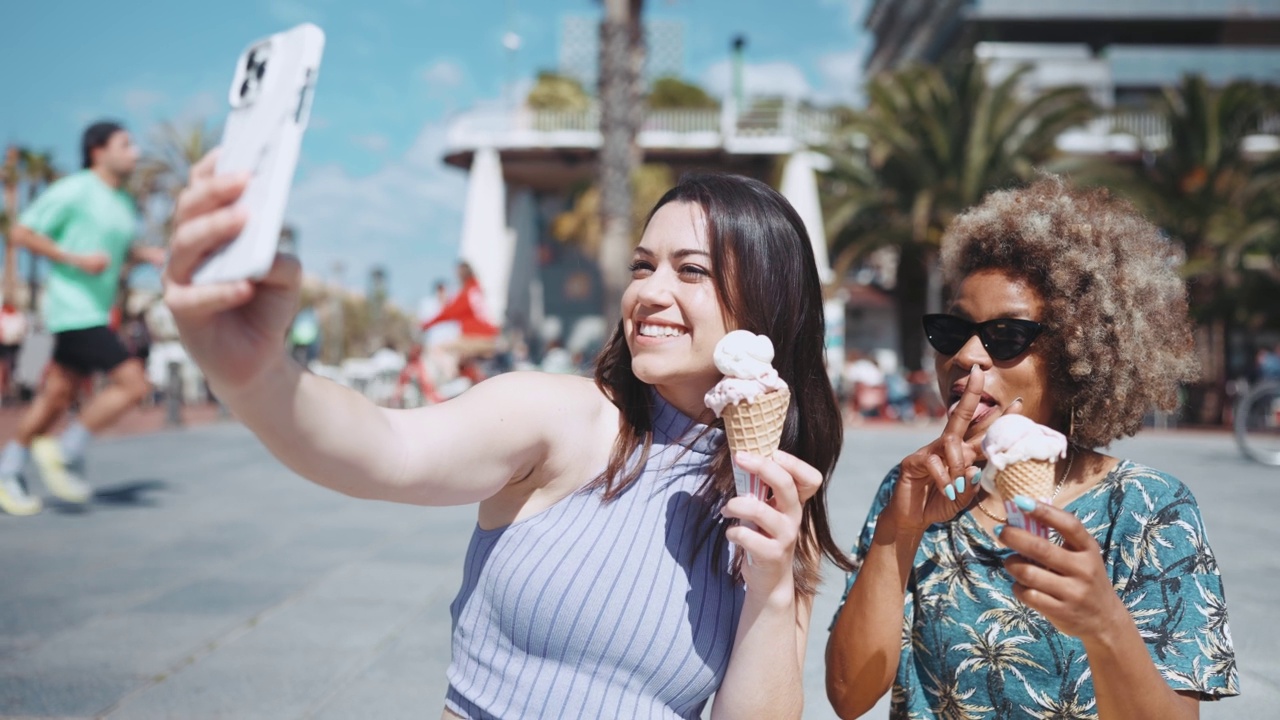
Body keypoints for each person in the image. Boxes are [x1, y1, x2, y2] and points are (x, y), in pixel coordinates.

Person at [164, 159, 852, 719]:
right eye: (644, 266)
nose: (648, 292)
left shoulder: (779, 502)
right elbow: (384, 450)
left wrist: (768, 585)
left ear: (768, 304)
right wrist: (258, 376)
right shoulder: (562, 416)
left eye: (690, 270)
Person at [827, 176, 1238, 719]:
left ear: (1076, 353)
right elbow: (849, 698)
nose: (969, 356)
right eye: (952, 331)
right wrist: (895, 537)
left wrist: (1103, 622)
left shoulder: (1150, 511)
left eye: (1007, 336)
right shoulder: (913, 492)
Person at [0, 121, 164, 516]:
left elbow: (120, 250)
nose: (135, 153)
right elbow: (21, 234)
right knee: (134, 384)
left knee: (57, 396)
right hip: (72, 310)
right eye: (125, 144)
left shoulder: (123, 202)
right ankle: (68, 450)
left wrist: (150, 256)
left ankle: (9, 471)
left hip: (97, 311)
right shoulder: (75, 190)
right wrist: (75, 260)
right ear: (98, 151)